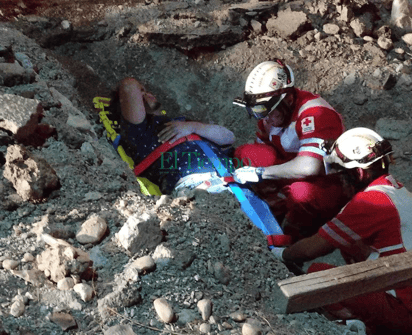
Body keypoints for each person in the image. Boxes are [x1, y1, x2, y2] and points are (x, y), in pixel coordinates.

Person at [271, 127, 412, 335]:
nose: (339, 179)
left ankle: (357, 325)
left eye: (342, 173)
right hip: (403, 287)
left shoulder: (370, 201)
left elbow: (312, 249)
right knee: (350, 243)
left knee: (316, 273)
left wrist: (281, 254)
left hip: (403, 310)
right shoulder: (397, 190)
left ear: (359, 172)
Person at [232, 59, 350, 242]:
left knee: (301, 193)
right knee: (247, 152)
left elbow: (310, 166)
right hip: (288, 168)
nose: (264, 118)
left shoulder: (316, 113)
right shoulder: (271, 112)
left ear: (287, 99)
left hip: (325, 181)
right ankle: (272, 204)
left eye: (266, 110)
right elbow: (262, 144)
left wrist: (261, 173)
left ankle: (292, 235)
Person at [111, 77, 237, 194]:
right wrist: (138, 90)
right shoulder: (139, 133)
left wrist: (193, 126)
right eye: (142, 92)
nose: (146, 93)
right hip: (196, 185)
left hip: (235, 177)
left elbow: (229, 138)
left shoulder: (184, 123)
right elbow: (129, 85)